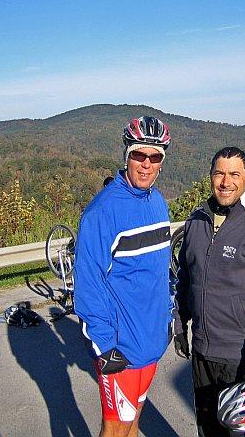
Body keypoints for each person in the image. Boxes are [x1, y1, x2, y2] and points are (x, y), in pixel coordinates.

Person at [173, 147, 245, 436]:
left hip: (242, 359)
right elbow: (185, 278)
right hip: (203, 353)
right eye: (219, 173)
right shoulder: (196, 219)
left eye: (234, 174)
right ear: (210, 176)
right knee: (208, 431)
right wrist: (179, 325)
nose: (226, 182)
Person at [73, 115, 173, 437]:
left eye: (154, 157)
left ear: (161, 162)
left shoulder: (158, 203)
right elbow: (89, 284)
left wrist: (168, 318)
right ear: (126, 154)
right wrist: (103, 345)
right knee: (114, 431)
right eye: (139, 155)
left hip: (152, 343)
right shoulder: (103, 211)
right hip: (122, 349)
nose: (146, 164)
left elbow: (161, 273)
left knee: (133, 424)